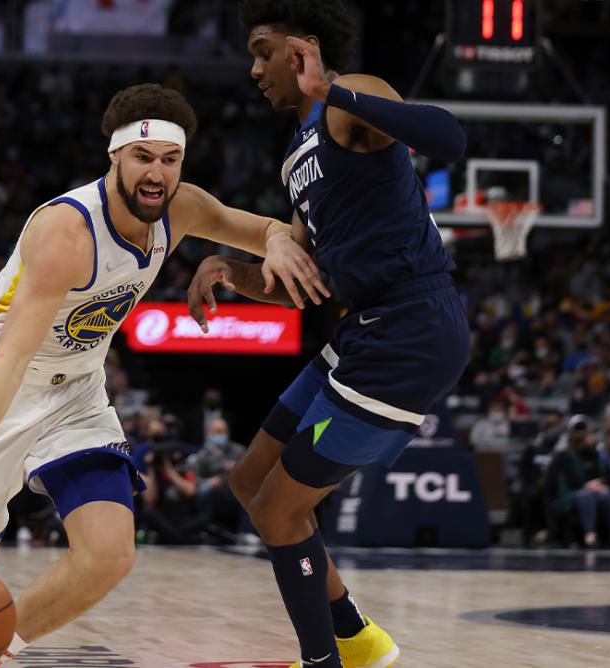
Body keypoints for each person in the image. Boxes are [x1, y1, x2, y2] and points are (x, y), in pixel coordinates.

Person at [0, 82, 328, 667]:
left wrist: (276, 242)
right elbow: (11, 359)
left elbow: (262, 229)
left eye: (170, 159)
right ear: (115, 156)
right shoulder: (66, 233)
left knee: (108, 557)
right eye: (143, 157)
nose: (157, 173)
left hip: (78, 387)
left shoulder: (182, 208)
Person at [188, 2, 469, 665]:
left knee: (279, 510)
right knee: (250, 482)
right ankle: (358, 637)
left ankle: (323, 661)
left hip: (411, 328)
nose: (255, 70)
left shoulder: (353, 98)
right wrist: (229, 270)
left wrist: (331, 90)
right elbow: (300, 282)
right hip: (363, 326)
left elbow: (449, 138)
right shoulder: (297, 156)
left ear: (303, 50)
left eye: (264, 52)